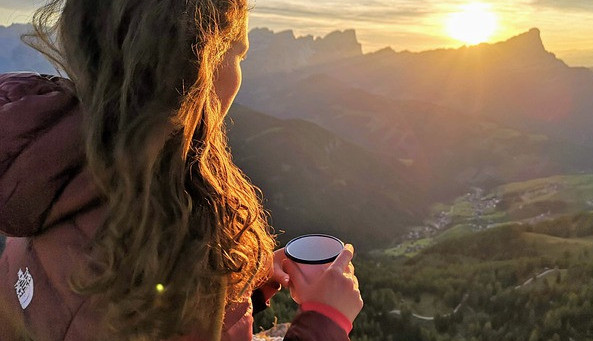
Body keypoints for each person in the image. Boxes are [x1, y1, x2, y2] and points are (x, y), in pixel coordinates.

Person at [0, 0, 363, 340]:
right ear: (197, 68)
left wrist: (240, 283)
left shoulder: (48, 170)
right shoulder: (172, 251)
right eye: (239, 54)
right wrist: (325, 318)